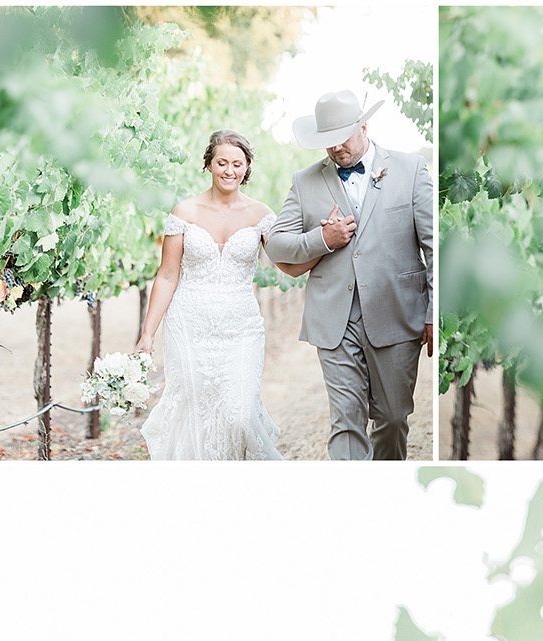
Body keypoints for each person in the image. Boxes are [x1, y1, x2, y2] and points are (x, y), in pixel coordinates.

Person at [267, 88, 434, 461]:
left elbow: (433, 246)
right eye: (326, 142)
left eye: (341, 137)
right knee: (346, 420)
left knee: (392, 418)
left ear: (364, 126)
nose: (335, 149)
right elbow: (276, 244)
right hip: (334, 319)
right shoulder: (304, 181)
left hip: (397, 313)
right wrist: (322, 239)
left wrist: (432, 312)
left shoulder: (411, 169)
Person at [139, 130, 282, 462]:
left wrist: (324, 239)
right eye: (222, 162)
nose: (229, 170)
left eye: (237, 163)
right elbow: (167, 275)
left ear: (247, 168)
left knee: (241, 414)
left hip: (241, 327)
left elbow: (286, 261)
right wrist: (147, 334)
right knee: (194, 413)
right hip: (189, 326)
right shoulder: (185, 211)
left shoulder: (262, 215)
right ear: (209, 165)